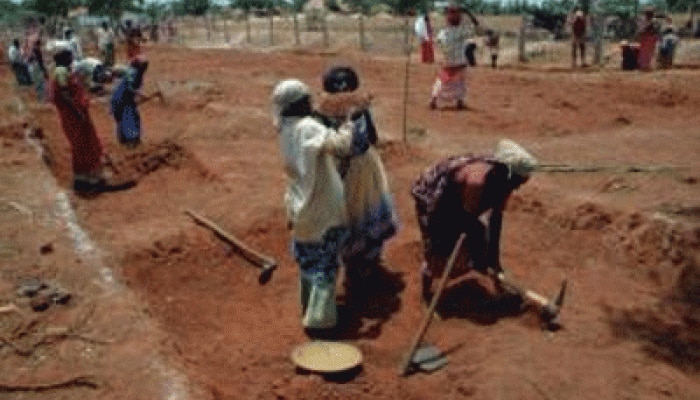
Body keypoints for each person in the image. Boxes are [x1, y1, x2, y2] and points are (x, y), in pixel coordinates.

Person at [271, 79, 370, 331]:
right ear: (297, 104)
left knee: (308, 263)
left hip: (299, 207)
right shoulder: (307, 128)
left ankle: (308, 307)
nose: (311, 104)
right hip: (321, 209)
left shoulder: (285, 128)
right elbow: (344, 147)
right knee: (325, 267)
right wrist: (353, 120)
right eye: (306, 100)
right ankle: (320, 322)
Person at [411, 139, 538, 305]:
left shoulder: (505, 183)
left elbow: (496, 219)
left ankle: (488, 275)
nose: (518, 187)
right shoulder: (477, 182)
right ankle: (427, 295)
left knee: (479, 246)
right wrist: (481, 256)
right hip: (436, 199)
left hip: (461, 205)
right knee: (439, 248)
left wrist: (494, 259)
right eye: (518, 182)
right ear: (507, 173)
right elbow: (465, 222)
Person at [314, 65, 398, 298]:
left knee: (351, 214)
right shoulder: (342, 111)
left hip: (346, 170)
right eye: (340, 86)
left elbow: (370, 137)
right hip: (350, 168)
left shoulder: (328, 112)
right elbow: (370, 137)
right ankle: (359, 262)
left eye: (344, 85)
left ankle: (354, 260)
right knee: (355, 214)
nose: (343, 90)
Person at [49, 48, 105, 193]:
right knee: (83, 145)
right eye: (69, 57)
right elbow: (65, 94)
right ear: (63, 59)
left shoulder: (65, 70)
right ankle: (88, 180)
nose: (72, 60)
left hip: (76, 114)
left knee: (85, 144)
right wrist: (78, 111)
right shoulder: (61, 71)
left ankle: (88, 178)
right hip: (74, 117)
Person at [430, 4, 475, 110]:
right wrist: (468, 14)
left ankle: (434, 98)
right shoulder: (461, 31)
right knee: (460, 82)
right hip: (459, 60)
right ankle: (459, 101)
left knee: (441, 80)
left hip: (447, 60)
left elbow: (438, 42)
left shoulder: (443, 33)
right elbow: (473, 28)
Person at [110, 56, 149, 148]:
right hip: (123, 100)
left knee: (121, 119)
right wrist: (142, 95)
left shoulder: (130, 71)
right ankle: (132, 140)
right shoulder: (134, 73)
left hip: (118, 99)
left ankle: (123, 139)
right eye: (143, 66)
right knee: (130, 117)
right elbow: (131, 88)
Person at [637, 6, 660, 71]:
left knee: (650, 52)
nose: (649, 14)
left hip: (651, 37)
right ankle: (644, 66)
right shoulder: (643, 20)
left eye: (650, 13)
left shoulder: (654, 21)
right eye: (648, 13)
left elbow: (656, 29)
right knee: (644, 52)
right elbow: (641, 30)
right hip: (645, 37)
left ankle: (648, 66)